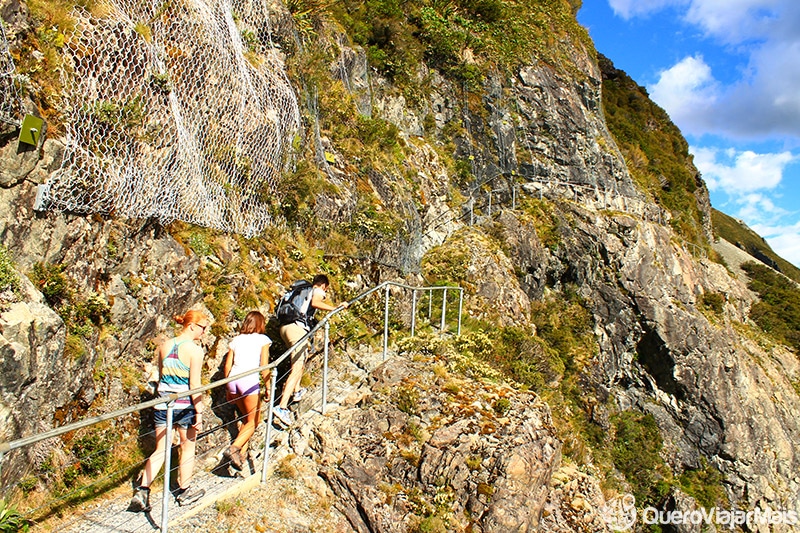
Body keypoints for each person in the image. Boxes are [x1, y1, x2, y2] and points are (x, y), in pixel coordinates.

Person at [129, 310, 210, 512]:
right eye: (203, 327)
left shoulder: (165, 346)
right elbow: (195, 384)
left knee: (161, 449)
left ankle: (142, 490)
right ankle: (185, 490)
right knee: (187, 446)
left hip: (162, 403)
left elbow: (162, 376)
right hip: (184, 406)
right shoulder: (195, 351)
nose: (204, 332)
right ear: (192, 326)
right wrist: (199, 412)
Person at [273, 274, 348, 427]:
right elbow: (316, 302)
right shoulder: (316, 290)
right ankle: (281, 407)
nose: (325, 293)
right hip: (297, 328)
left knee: (301, 358)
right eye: (326, 290)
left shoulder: (299, 290)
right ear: (323, 286)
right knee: (297, 366)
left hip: (284, 328)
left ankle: (297, 390)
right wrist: (336, 308)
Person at [222, 311, 271, 470]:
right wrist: (268, 386)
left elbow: (227, 365)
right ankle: (233, 449)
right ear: (260, 324)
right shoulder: (262, 339)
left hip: (233, 380)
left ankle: (240, 456)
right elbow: (264, 365)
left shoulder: (236, 340)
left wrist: (228, 386)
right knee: (254, 420)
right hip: (248, 381)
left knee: (247, 419)